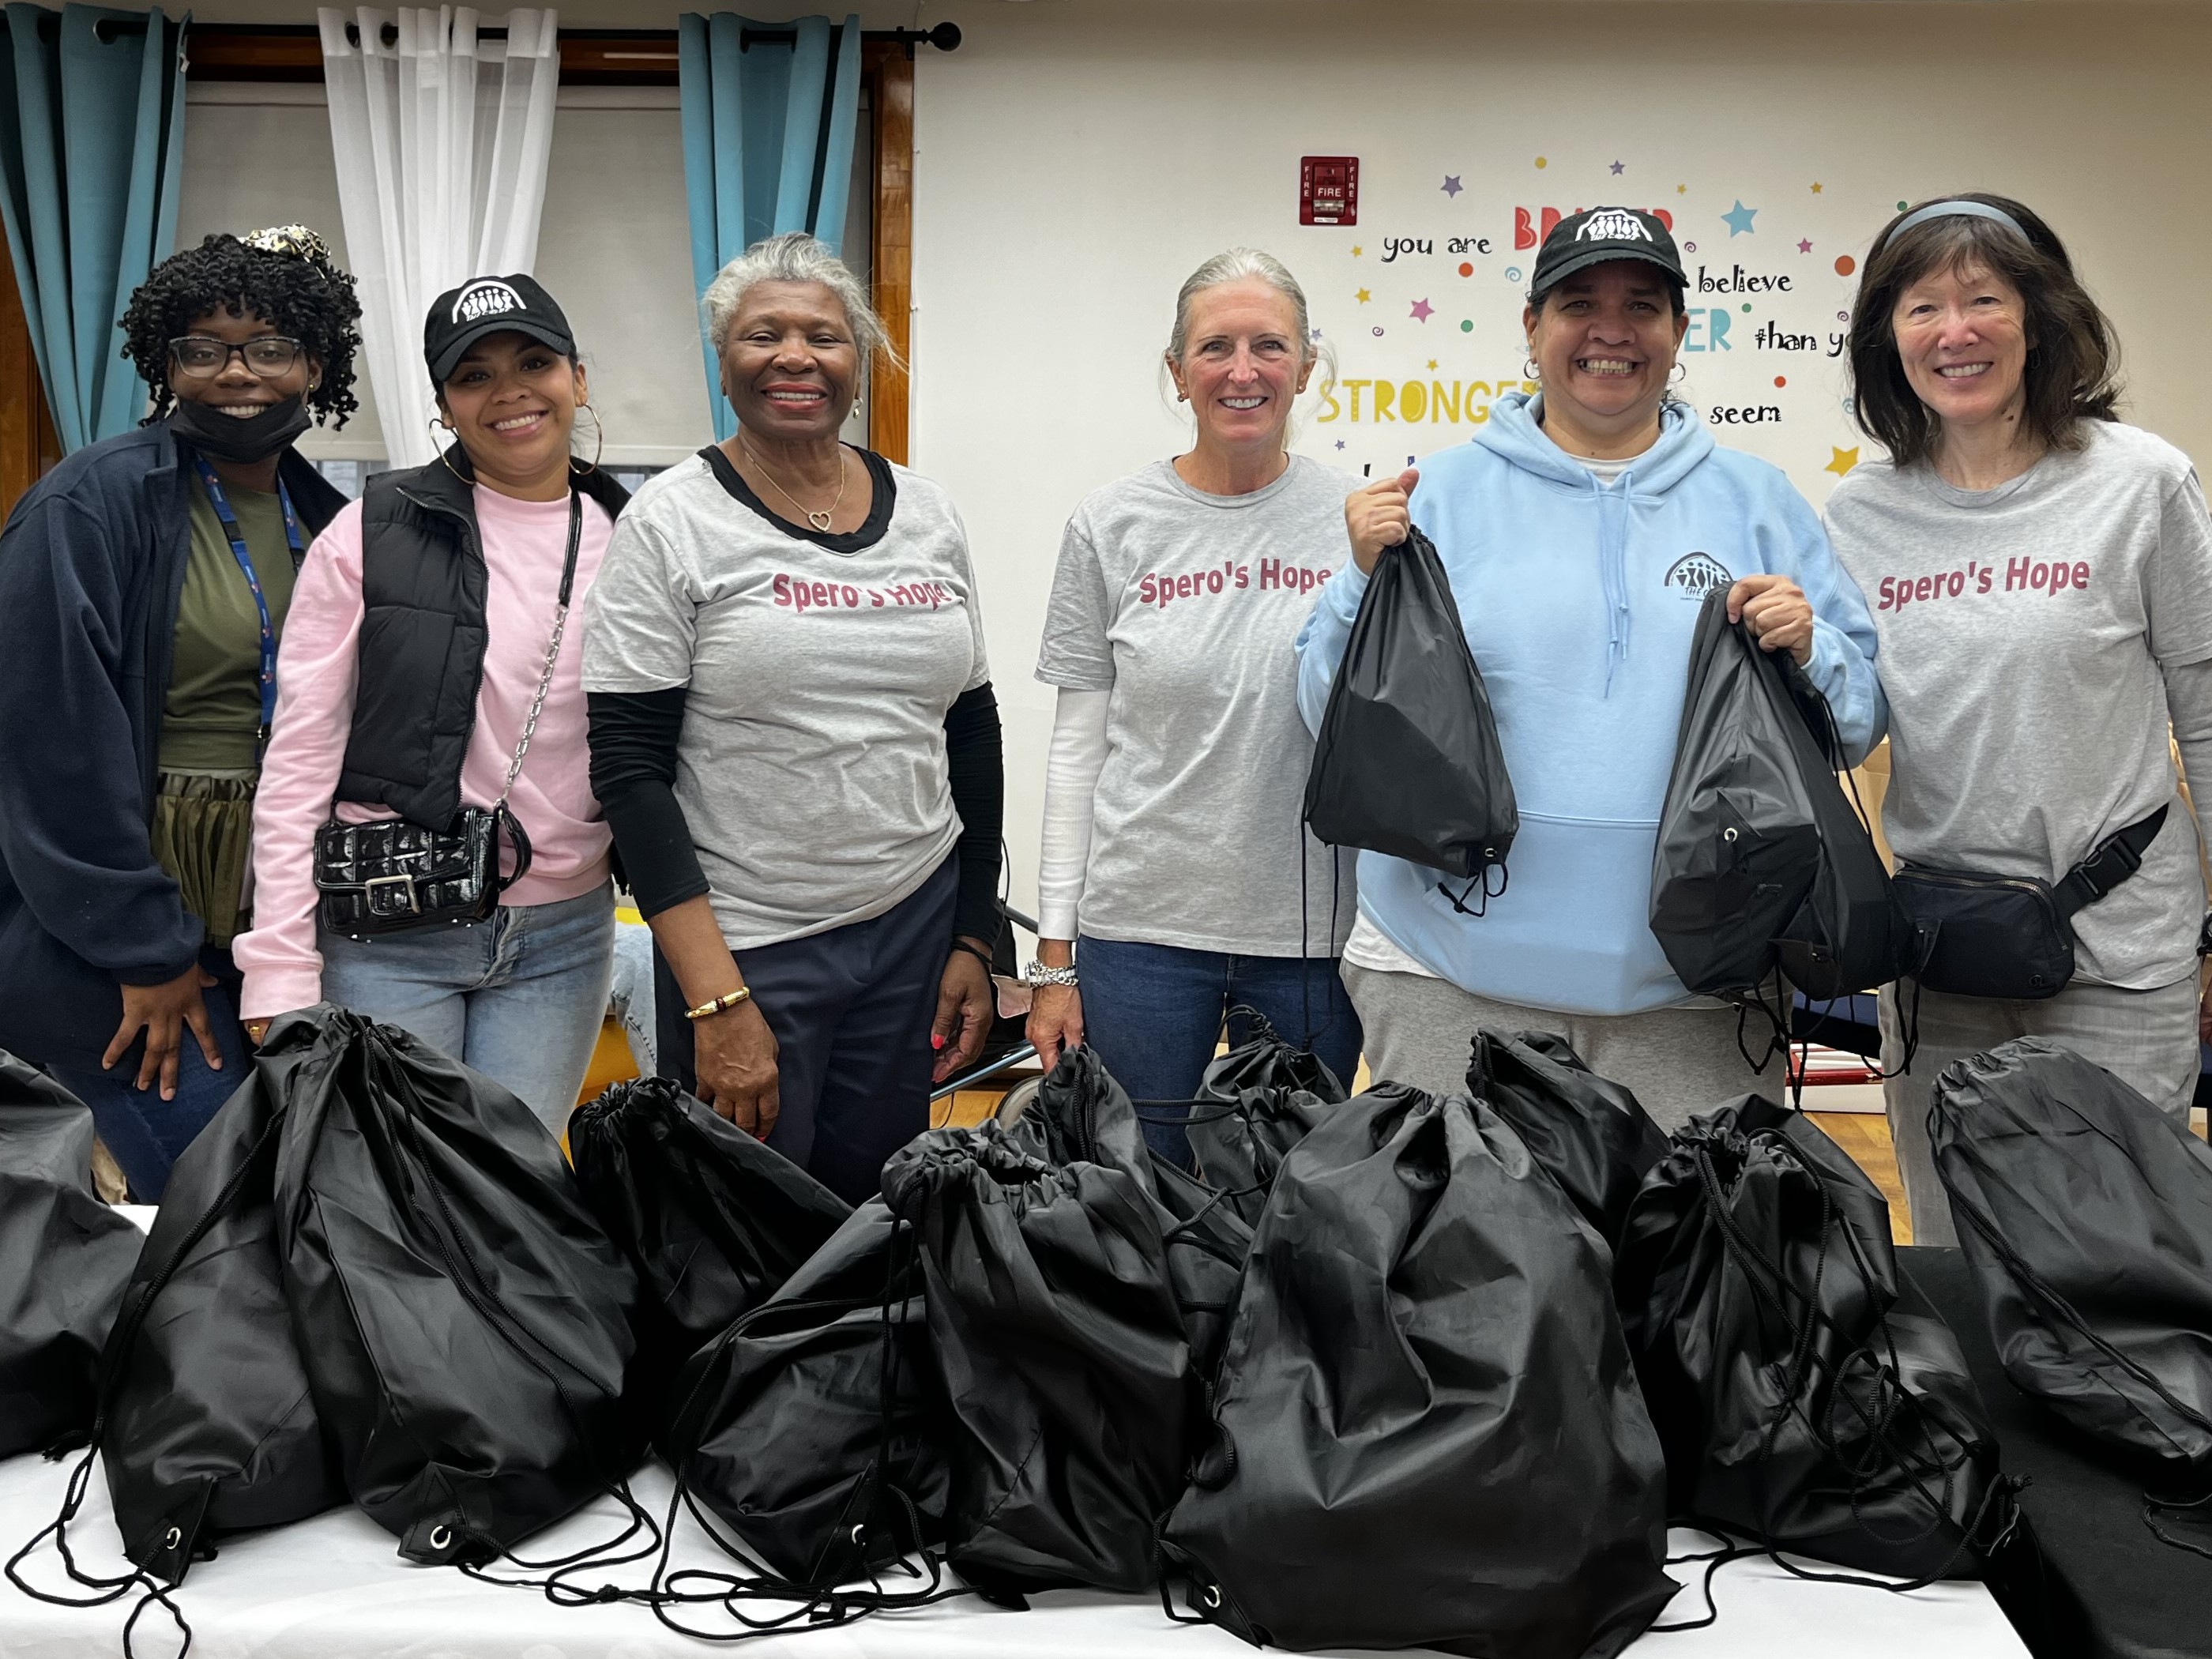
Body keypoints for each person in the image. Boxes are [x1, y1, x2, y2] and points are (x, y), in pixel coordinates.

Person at [1300, 207, 1884, 1130]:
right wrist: (1355, 587)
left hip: (1697, 993)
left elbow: (1855, 725)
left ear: (1680, 333)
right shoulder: (1435, 495)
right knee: (1471, 1271)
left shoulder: (1758, 502)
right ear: (1531, 329)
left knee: (1684, 1273)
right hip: (1451, 984)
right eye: (1579, 303)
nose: (1611, 330)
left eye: (1642, 306)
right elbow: (1324, 714)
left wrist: (1813, 652)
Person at [583, 231, 1002, 1205]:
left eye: (823, 335)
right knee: (743, 1228)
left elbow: (971, 731)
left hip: (913, 927)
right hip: (751, 942)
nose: (794, 356)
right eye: (760, 334)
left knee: (872, 1217)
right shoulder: (671, 521)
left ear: (860, 358)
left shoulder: (927, 512)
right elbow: (631, 771)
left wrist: (974, 937)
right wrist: (716, 999)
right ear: (723, 361)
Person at [1826, 194, 2212, 1246]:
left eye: (1983, 299)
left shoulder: (2140, 483)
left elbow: (2207, 715)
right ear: (1887, 340)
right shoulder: (1860, 517)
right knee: (1960, 1263)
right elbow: (1848, 729)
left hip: (2121, 957)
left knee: (2131, 1269)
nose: (1954, 332)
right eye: (1921, 308)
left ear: (2037, 320)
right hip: (1941, 962)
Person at [0, 228, 359, 1199]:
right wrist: (143, 953)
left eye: (270, 347)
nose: (237, 373)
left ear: (315, 365)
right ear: (167, 363)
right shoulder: (88, 504)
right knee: (216, 1209)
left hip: (278, 926)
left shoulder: (331, 518)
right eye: (204, 349)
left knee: (304, 1209)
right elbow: (50, 745)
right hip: (128, 949)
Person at [235, 273, 629, 1134]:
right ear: (445, 406)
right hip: (391, 934)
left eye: (534, 362)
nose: (510, 392)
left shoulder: (632, 535)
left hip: (563, 939)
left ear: (578, 378)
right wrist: (278, 966)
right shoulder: (371, 530)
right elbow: (299, 755)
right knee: (400, 1209)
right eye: (474, 375)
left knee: (515, 1204)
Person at [1028, 248, 1360, 1163]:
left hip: (1312, 939)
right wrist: (1053, 958)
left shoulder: (1357, 522)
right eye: (1215, 347)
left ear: (1305, 366)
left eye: (1269, 346)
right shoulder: (1111, 523)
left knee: (1289, 1197)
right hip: (1140, 935)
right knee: (1139, 1191)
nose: (1242, 371)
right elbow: (1076, 751)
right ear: (1177, 371)